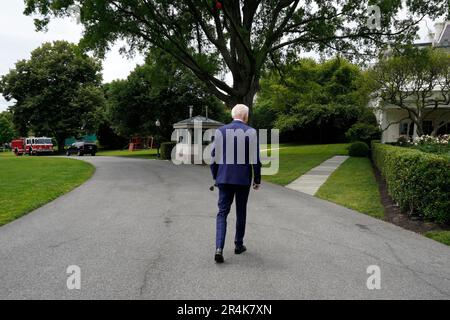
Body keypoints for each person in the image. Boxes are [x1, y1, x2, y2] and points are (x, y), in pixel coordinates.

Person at [210, 104, 261, 263]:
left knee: (222, 212)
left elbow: (213, 159)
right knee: (241, 211)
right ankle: (238, 245)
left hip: (224, 178)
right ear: (245, 116)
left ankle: (219, 248)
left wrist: (216, 177)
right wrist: (257, 180)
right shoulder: (251, 132)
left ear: (233, 115)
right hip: (242, 180)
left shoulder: (220, 131)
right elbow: (256, 160)